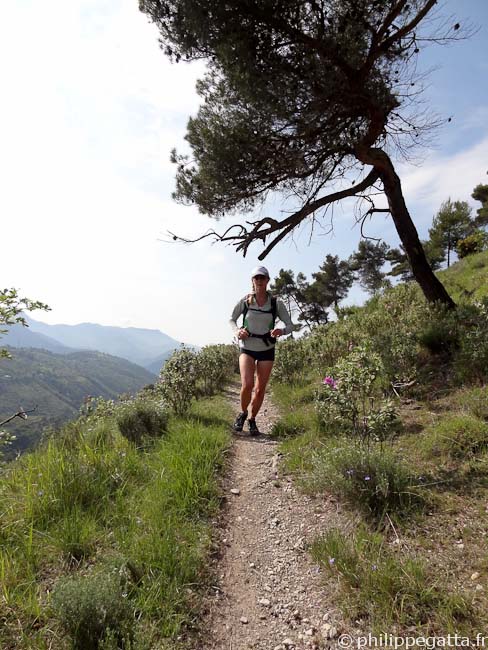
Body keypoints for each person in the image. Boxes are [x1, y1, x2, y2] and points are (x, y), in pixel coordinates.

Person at [229, 266, 294, 435]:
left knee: (259, 389)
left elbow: (290, 325)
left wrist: (281, 331)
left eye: (262, 278)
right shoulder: (245, 301)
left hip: (267, 348)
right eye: (256, 278)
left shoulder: (275, 303)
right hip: (247, 347)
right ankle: (242, 413)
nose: (259, 281)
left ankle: (252, 419)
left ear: (267, 281)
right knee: (247, 384)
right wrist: (237, 331)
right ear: (252, 281)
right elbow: (231, 320)